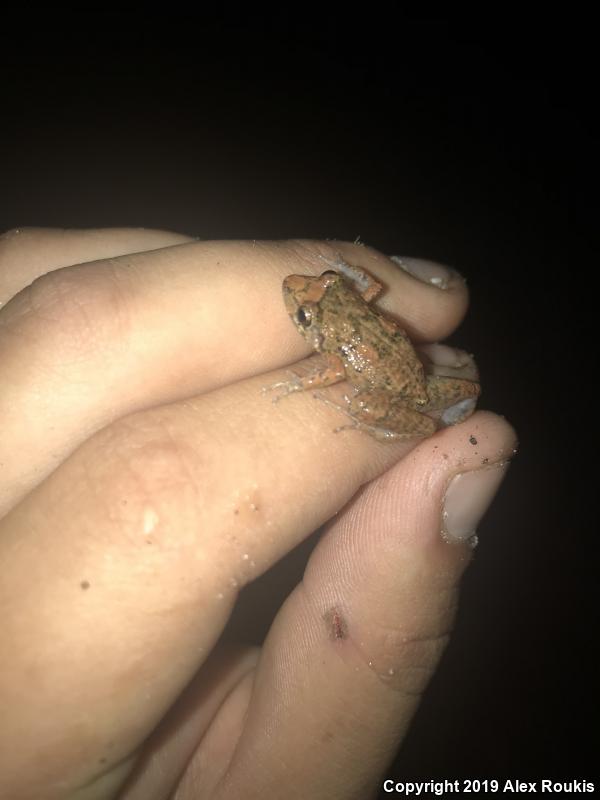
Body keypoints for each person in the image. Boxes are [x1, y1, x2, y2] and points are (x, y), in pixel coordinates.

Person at [0, 229, 516, 799]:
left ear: (317, 325)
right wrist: (338, 280)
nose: (295, 294)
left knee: (366, 402)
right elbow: (367, 284)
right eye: (307, 298)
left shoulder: (331, 340)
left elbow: (331, 367)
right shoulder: (356, 300)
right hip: (398, 361)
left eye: (303, 308)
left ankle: (379, 422)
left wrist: (306, 376)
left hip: (387, 381)